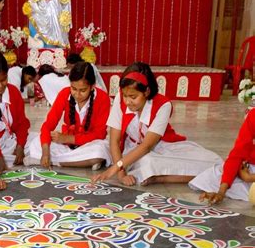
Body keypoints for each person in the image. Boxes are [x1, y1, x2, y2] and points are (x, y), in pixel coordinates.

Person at [92, 62, 222, 187]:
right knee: (148, 162)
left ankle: (158, 177)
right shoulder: (121, 97)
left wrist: (115, 167)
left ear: (146, 92)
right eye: (125, 96)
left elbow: (147, 146)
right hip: (131, 151)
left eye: (133, 97)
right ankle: (154, 175)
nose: (127, 101)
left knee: (213, 161)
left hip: (162, 146)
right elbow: (114, 140)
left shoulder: (163, 105)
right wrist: (120, 173)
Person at [27, 62, 111, 169]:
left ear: (92, 86)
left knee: (101, 150)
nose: (77, 94)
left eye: (83, 90)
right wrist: (46, 153)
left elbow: (99, 134)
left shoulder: (103, 98)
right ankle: (83, 162)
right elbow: (48, 125)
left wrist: (68, 139)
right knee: (37, 142)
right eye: (74, 88)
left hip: (89, 144)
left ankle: (57, 162)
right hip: (66, 146)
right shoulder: (64, 93)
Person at [190, 109, 255, 204]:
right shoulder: (253, 115)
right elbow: (238, 152)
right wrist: (221, 192)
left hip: (250, 176)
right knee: (212, 176)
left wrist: (249, 178)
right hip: (249, 168)